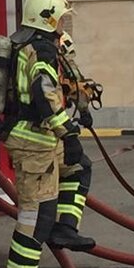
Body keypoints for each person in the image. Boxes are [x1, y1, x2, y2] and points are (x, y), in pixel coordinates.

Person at [0, 0, 93, 268]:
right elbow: (45, 93)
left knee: (81, 167)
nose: (63, 25)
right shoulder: (41, 51)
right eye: (60, 18)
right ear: (47, 18)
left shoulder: (28, 46)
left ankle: (65, 229)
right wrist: (68, 134)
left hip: (41, 141)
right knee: (35, 216)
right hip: (34, 143)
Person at [55, 32, 101, 252]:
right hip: (47, 133)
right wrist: (82, 112)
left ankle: (62, 226)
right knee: (80, 168)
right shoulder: (54, 61)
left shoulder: (32, 55)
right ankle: (65, 227)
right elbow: (78, 87)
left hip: (25, 133)